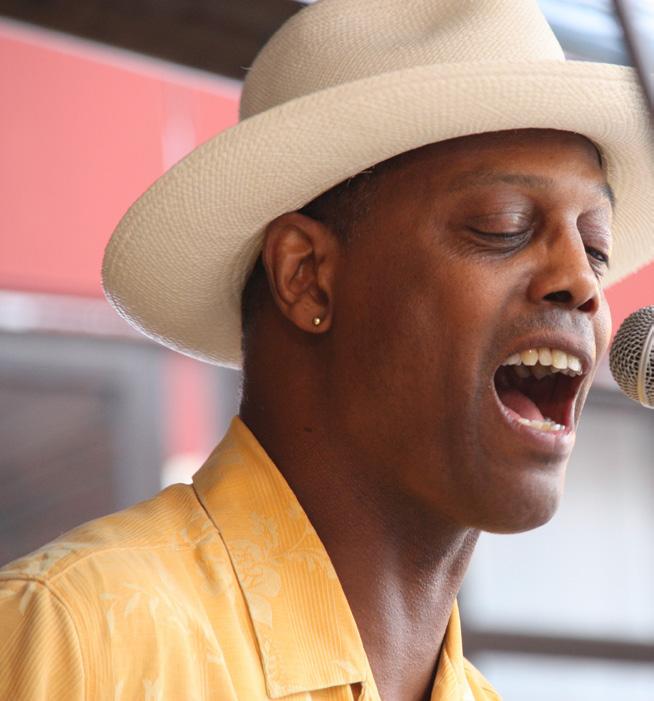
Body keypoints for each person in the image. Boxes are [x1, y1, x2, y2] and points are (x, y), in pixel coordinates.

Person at [1, 1, 652, 699]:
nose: (583, 282)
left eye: (596, 246)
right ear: (306, 276)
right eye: (504, 225)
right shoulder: (79, 638)